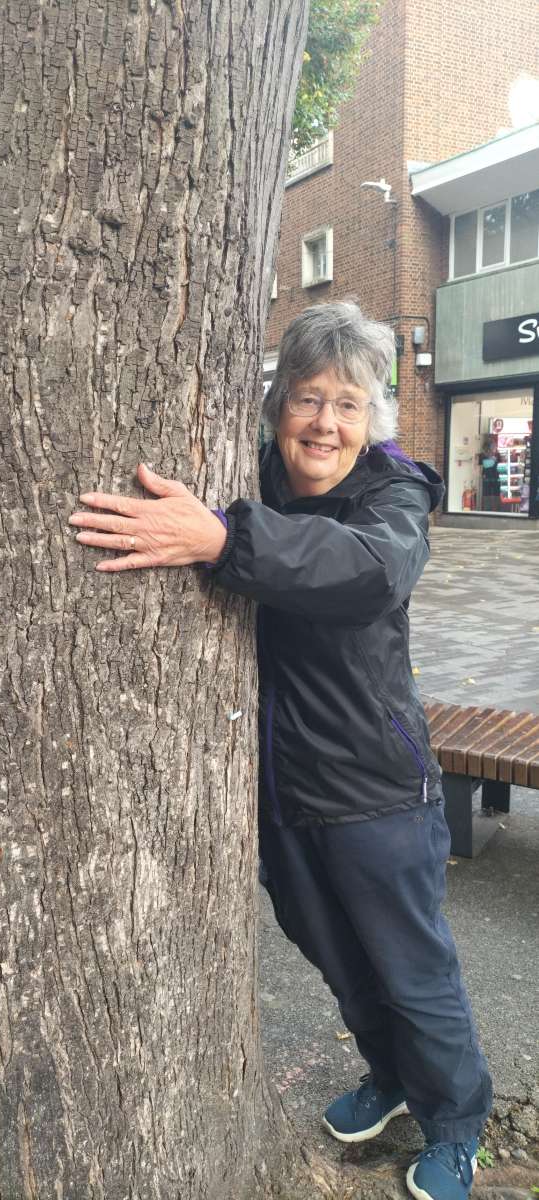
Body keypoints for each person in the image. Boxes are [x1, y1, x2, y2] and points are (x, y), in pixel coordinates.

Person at [69, 301, 492, 1200]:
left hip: (375, 785)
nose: (324, 423)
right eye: (307, 399)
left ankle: (455, 1125)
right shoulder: (251, 477)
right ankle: (388, 1080)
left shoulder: (393, 491)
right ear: (276, 410)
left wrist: (225, 539)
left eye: (346, 403)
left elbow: (369, 573)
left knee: (414, 972)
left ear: (372, 416)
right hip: (279, 787)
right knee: (334, 953)